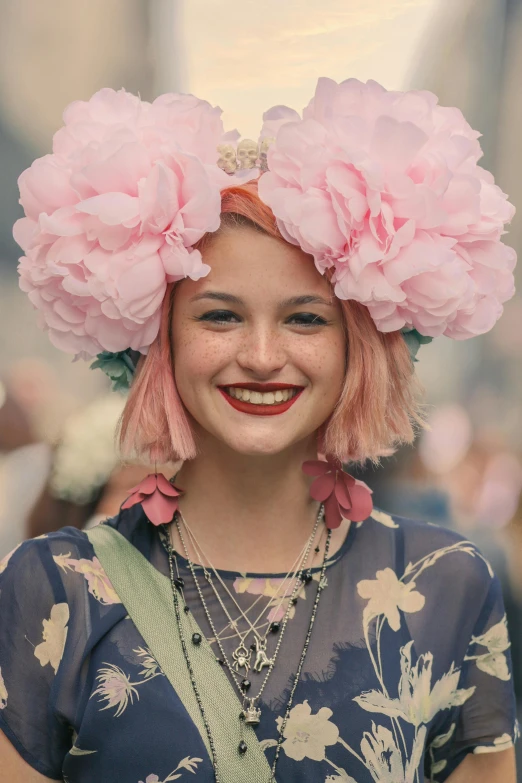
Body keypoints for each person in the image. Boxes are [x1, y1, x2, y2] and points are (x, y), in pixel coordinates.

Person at [0, 79, 519, 783]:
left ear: (355, 350)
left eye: (305, 317)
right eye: (220, 316)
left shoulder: (449, 584)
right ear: (162, 343)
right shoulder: (52, 587)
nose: (264, 356)